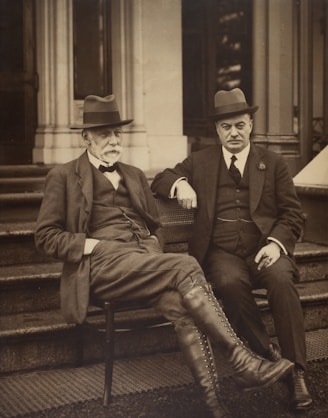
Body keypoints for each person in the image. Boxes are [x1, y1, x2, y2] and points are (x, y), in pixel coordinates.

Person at [35, 94, 293, 418]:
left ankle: (215, 407)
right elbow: (45, 237)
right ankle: (242, 362)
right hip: (100, 267)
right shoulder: (63, 176)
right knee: (186, 264)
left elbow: (155, 226)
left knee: (180, 304)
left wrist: (152, 249)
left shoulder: (133, 173)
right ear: (86, 137)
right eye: (105, 135)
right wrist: (93, 246)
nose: (114, 141)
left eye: (117, 134)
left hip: (144, 263)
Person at [151, 88, 312, 411]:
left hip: (265, 248)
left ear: (250, 124)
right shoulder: (200, 161)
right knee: (227, 283)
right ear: (217, 130)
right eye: (226, 127)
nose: (234, 133)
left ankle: (296, 371)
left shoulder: (274, 162)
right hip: (222, 253)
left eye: (239, 125)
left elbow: (293, 213)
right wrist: (180, 184)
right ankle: (267, 356)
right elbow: (160, 179)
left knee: (282, 281)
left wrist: (276, 244)